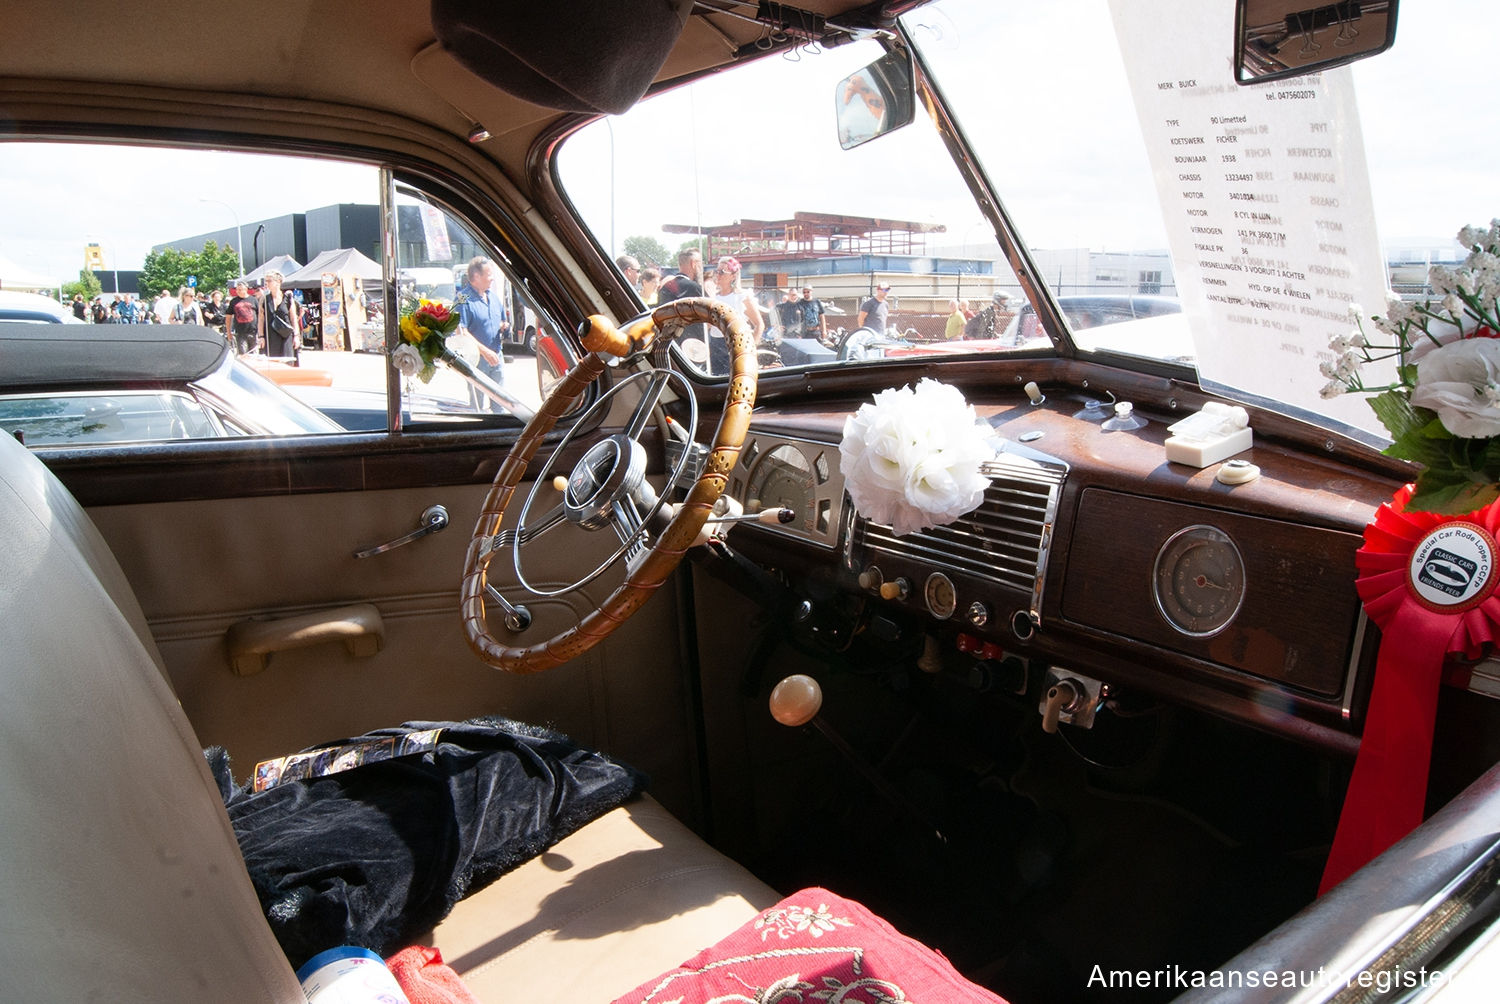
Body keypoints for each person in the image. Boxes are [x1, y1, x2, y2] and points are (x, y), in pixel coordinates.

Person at [456, 255, 509, 410]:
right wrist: (485, 352)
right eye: (489, 275)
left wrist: (503, 325)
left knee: (500, 403)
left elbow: (501, 320)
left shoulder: (493, 298)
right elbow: (462, 332)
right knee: (478, 407)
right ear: (476, 276)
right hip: (477, 361)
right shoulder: (462, 299)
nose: (492, 279)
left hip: (496, 356)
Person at [706, 255, 763, 373]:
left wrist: (751, 349)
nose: (718, 275)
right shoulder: (713, 297)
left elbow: (759, 324)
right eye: (717, 271)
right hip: (715, 346)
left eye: (722, 272)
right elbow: (707, 326)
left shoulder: (742, 297)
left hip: (737, 345)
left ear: (733, 276)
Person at [258, 271, 300, 358]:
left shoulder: (288, 298)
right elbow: (261, 319)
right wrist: (261, 336)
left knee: (287, 361)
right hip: (270, 335)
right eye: (266, 281)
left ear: (278, 282)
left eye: (269, 281)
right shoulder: (264, 299)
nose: (267, 283)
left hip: (286, 334)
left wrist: (296, 336)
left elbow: (293, 318)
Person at [226, 281, 260, 353]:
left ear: (246, 289)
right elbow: (228, 317)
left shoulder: (254, 300)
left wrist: (261, 331)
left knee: (254, 354)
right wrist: (228, 332)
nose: (239, 291)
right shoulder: (233, 301)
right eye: (238, 289)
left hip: (253, 332)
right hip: (240, 332)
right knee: (243, 354)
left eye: (241, 289)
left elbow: (260, 315)